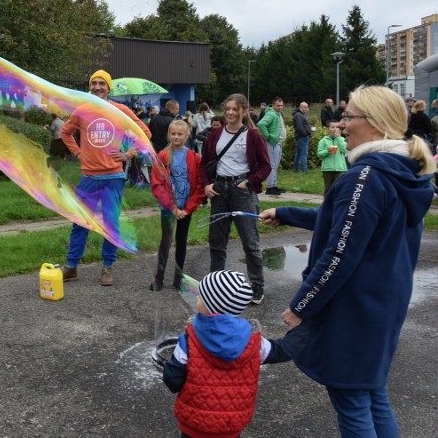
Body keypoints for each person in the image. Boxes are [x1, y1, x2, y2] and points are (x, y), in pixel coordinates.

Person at [259, 85, 435, 437]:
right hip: (382, 304)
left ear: (373, 123)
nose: (341, 123)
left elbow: (339, 253)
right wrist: (287, 212)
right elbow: (345, 221)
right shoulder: (399, 172)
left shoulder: (365, 177)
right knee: (370, 392)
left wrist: (301, 306)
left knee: (352, 400)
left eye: (349, 117)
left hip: (356, 308)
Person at [162, 270, 307, 438]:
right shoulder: (254, 343)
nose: (197, 297)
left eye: (201, 296)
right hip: (231, 427)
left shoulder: (189, 339)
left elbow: (172, 378)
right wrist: (304, 329)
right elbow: (282, 350)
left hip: (194, 426)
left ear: (212, 306)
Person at [60, 69, 151, 286]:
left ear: (109, 88)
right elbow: (65, 132)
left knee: (111, 224)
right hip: (89, 177)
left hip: (114, 177)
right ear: (90, 86)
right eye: (94, 83)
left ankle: (107, 267)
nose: (98, 87)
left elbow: (145, 134)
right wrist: (78, 152)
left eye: (102, 83)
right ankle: (71, 267)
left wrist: (129, 154)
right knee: (80, 222)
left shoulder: (120, 110)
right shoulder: (82, 111)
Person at [199, 93, 271, 305]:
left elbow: (265, 166)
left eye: (235, 109)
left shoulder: (253, 136)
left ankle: (257, 286)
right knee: (217, 242)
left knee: (250, 242)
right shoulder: (215, 134)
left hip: (242, 192)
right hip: (219, 190)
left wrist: (249, 182)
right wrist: (206, 185)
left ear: (244, 111)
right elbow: (204, 163)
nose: (230, 113)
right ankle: (214, 286)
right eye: (227, 108)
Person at [149, 119, 204, 291]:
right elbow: (157, 185)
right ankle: (159, 277)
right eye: (173, 134)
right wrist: (172, 207)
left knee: (181, 242)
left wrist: (187, 209)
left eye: (180, 134)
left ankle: (179, 278)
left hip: (185, 209)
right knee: (166, 241)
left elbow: (199, 186)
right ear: (168, 135)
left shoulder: (195, 158)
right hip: (168, 209)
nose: (176, 137)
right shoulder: (163, 156)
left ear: (187, 136)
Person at [257, 97, 287, 195]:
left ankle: (274, 185)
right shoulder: (271, 114)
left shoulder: (278, 113)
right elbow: (261, 124)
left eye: (282, 105)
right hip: (273, 143)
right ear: (273, 105)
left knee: (275, 165)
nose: (280, 107)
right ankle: (270, 187)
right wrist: (268, 136)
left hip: (278, 143)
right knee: (272, 165)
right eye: (278, 105)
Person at [316, 123, 347, 196]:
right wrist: (327, 151)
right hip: (327, 168)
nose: (335, 129)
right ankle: (326, 206)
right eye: (332, 127)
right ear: (328, 129)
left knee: (338, 189)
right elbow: (319, 154)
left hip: (340, 168)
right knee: (328, 189)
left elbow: (344, 150)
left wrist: (339, 138)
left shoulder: (342, 139)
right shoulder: (323, 141)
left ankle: (337, 206)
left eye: (337, 127)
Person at [292, 102, 312, 173]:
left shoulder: (301, 114)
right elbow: (299, 127)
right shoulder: (298, 115)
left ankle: (296, 169)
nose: (307, 109)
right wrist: (306, 133)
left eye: (307, 107)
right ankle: (305, 170)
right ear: (301, 107)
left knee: (299, 153)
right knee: (304, 153)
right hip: (302, 137)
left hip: (301, 136)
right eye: (305, 107)